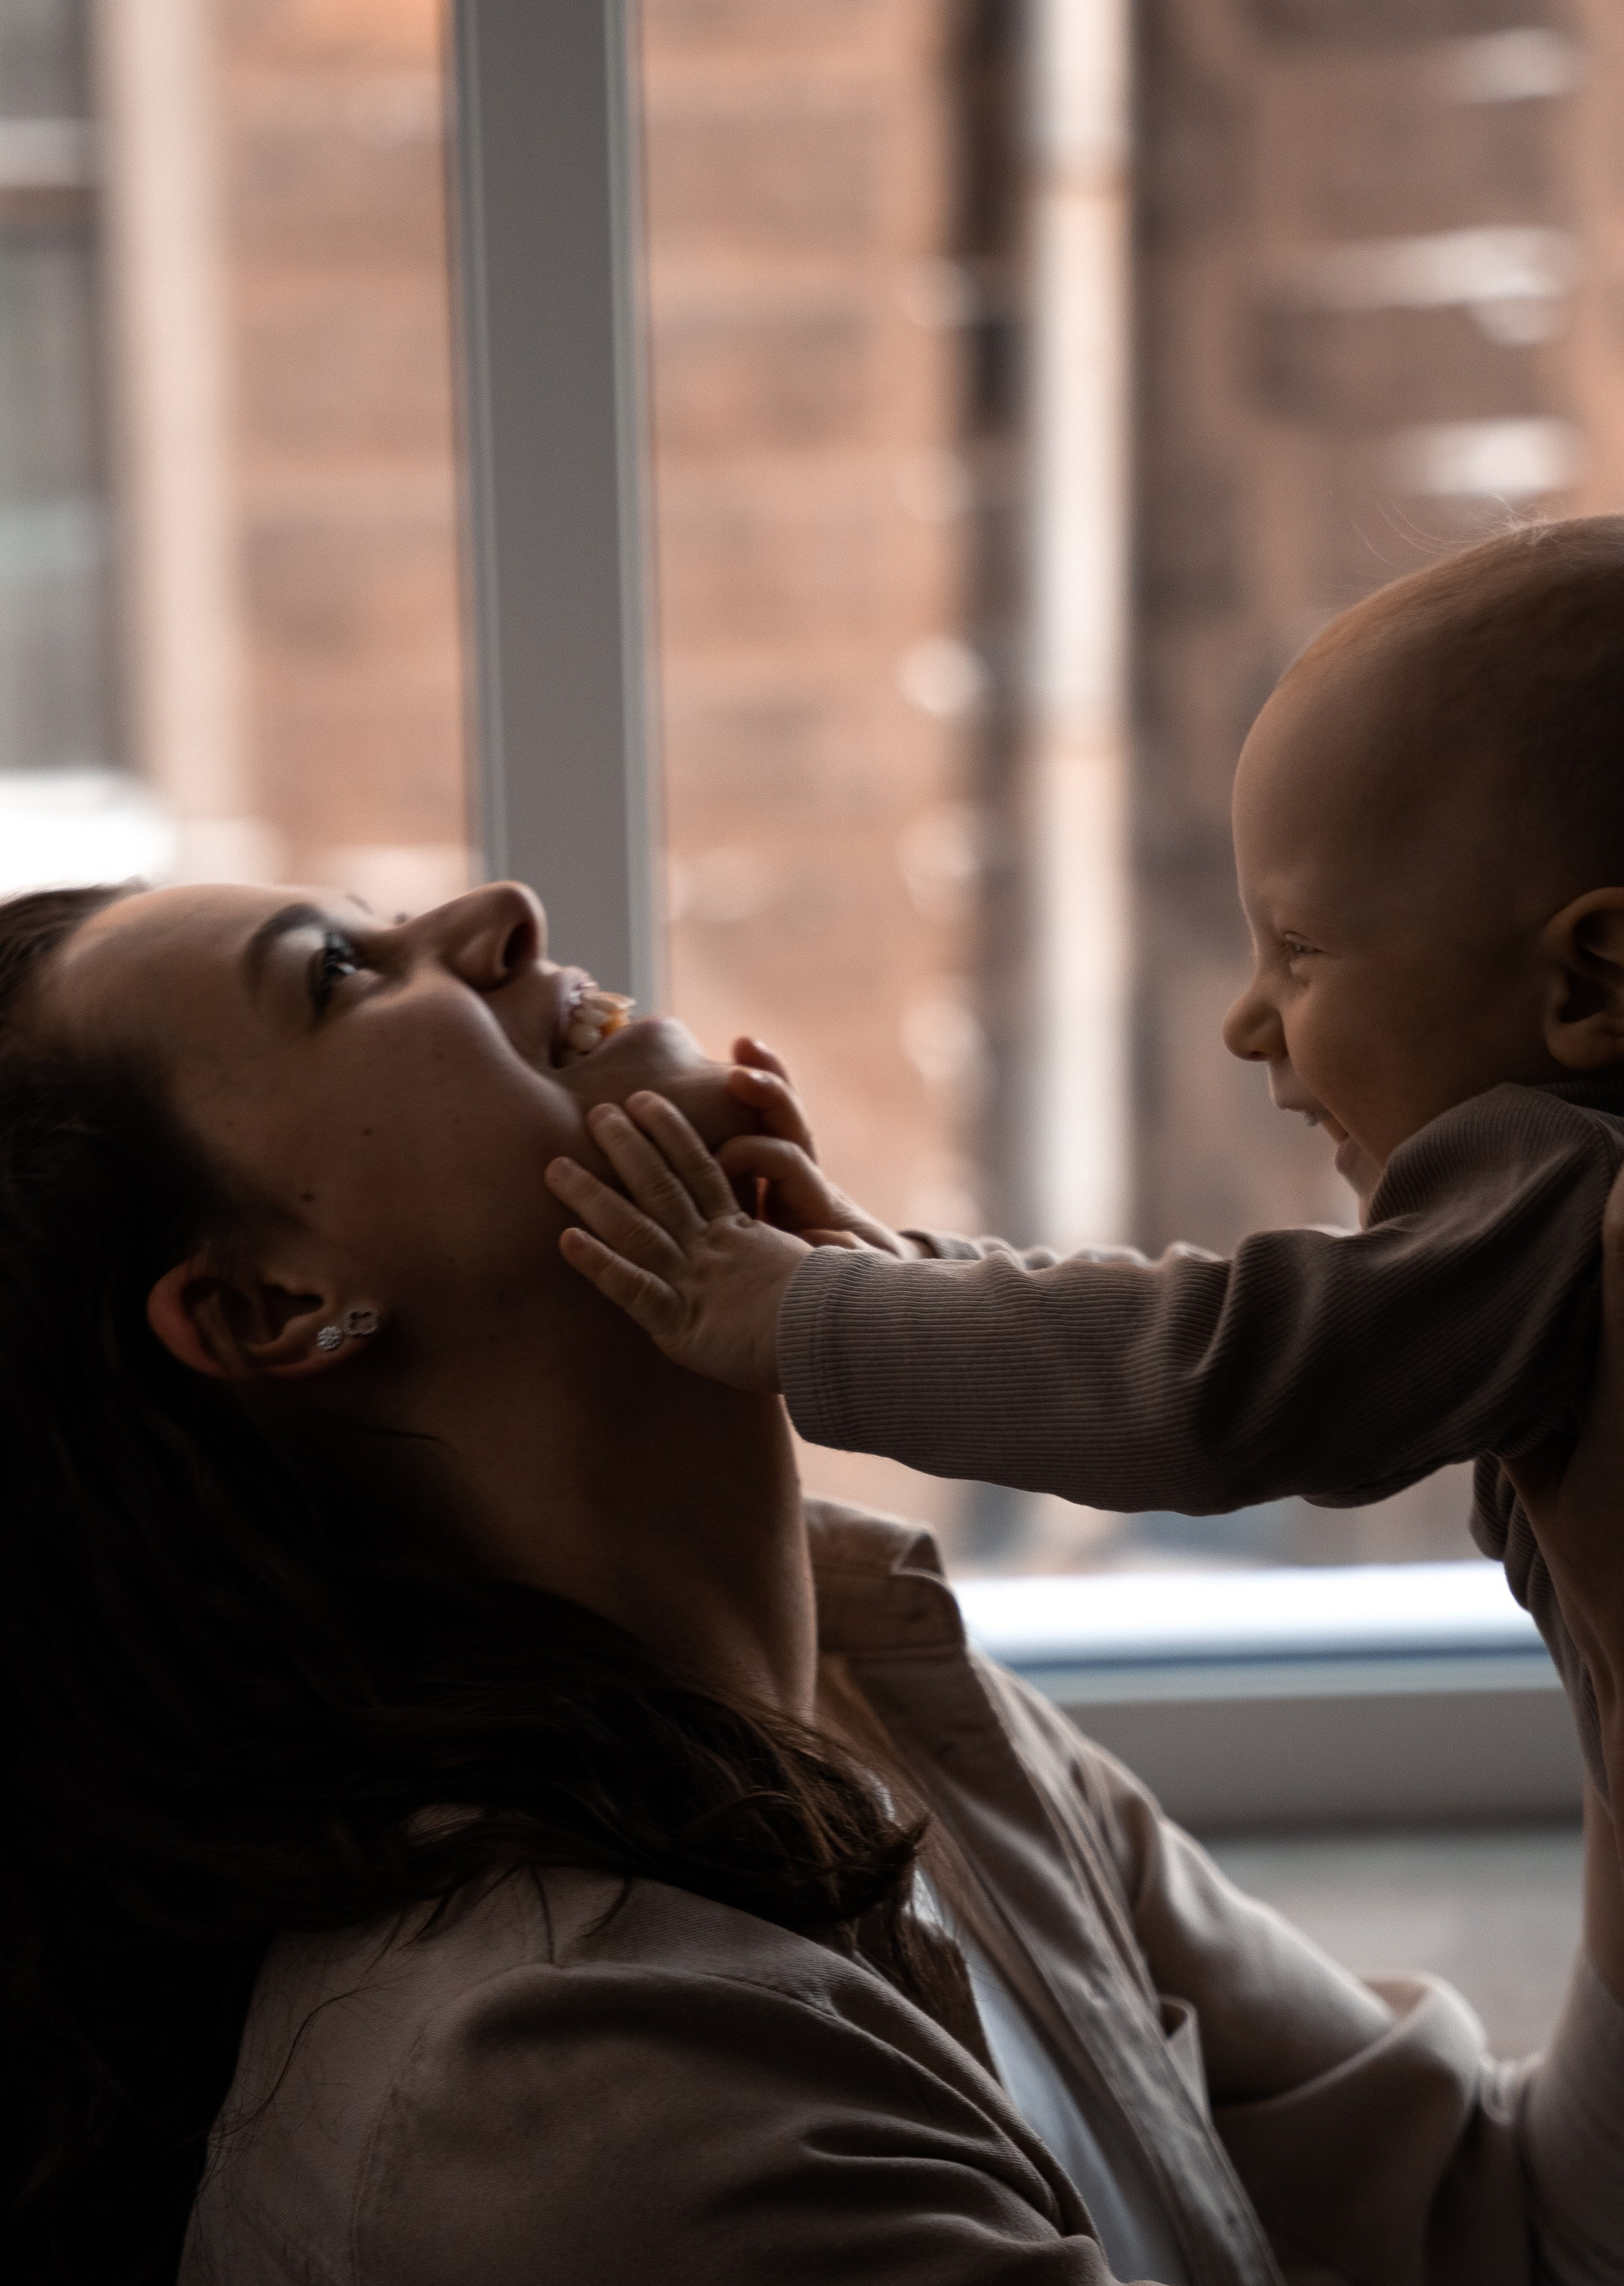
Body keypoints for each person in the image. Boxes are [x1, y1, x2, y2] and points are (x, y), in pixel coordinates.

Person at [0, 872, 1624, 2286]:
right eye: (339, 972)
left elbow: (1497, 2250)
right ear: (278, 1306)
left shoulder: (872, 1690)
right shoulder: (564, 2091)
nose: (497, 908)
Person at [550, 517, 1624, 1800]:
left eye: (1300, 950)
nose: (1246, 1022)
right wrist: (888, 1271)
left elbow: (1215, 1380)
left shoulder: (1571, 1184)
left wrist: (803, 1314)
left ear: (1592, 978)